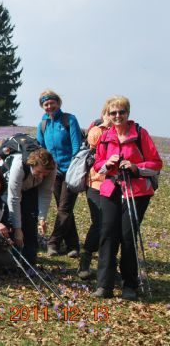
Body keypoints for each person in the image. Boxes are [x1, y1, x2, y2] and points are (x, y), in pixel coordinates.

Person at [92, 96, 162, 300]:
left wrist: (135, 167)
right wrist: (108, 163)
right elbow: (97, 165)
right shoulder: (105, 137)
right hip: (111, 189)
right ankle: (104, 285)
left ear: (127, 113)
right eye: (113, 113)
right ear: (108, 114)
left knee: (128, 236)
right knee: (107, 235)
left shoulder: (140, 133)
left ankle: (129, 285)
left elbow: (156, 164)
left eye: (121, 112)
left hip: (137, 191)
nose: (117, 116)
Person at [36, 89, 84, 258]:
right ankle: (73, 245)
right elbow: (41, 149)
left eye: (52, 103)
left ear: (58, 103)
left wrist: (72, 167)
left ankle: (53, 242)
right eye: (45, 104)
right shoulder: (43, 124)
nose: (49, 106)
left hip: (70, 171)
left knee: (64, 208)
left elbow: (76, 146)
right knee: (65, 208)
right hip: (53, 173)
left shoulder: (69, 120)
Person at [3, 148, 56, 265]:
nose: (41, 176)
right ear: (32, 164)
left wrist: (42, 217)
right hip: (9, 187)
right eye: (39, 172)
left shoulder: (52, 168)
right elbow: (14, 198)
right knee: (13, 223)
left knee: (31, 219)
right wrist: (17, 229)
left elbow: (46, 192)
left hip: (30, 188)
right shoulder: (19, 165)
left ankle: (29, 260)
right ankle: (12, 259)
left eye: (45, 174)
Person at [78, 106, 112, 279]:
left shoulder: (123, 133)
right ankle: (85, 259)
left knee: (111, 225)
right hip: (96, 183)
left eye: (117, 114)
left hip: (115, 184)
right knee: (99, 223)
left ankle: (107, 266)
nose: (113, 117)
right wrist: (106, 127)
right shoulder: (97, 131)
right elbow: (94, 145)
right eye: (109, 113)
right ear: (103, 114)